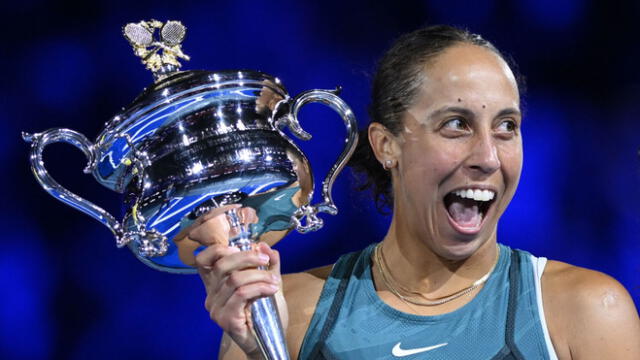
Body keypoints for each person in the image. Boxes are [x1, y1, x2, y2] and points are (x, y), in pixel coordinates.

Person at [179, 25, 640, 359]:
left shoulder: (588, 312)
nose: (489, 157)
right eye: (456, 124)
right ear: (386, 145)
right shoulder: (288, 315)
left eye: (506, 127)